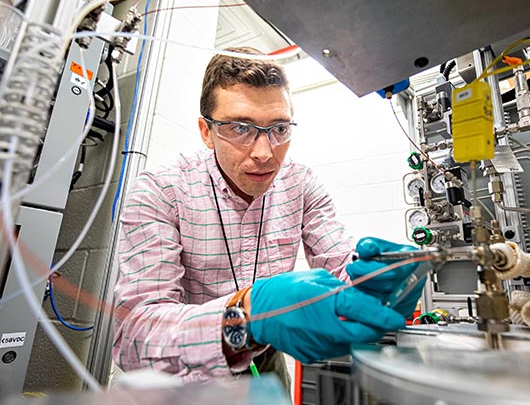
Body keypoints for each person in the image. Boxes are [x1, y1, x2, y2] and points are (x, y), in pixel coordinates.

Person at [112, 47, 421, 386]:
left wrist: (376, 280)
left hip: (266, 359)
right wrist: (244, 316)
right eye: (240, 128)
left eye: (279, 129)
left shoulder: (300, 184)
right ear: (206, 131)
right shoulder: (161, 192)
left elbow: (341, 262)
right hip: (185, 372)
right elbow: (133, 337)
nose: (264, 153)